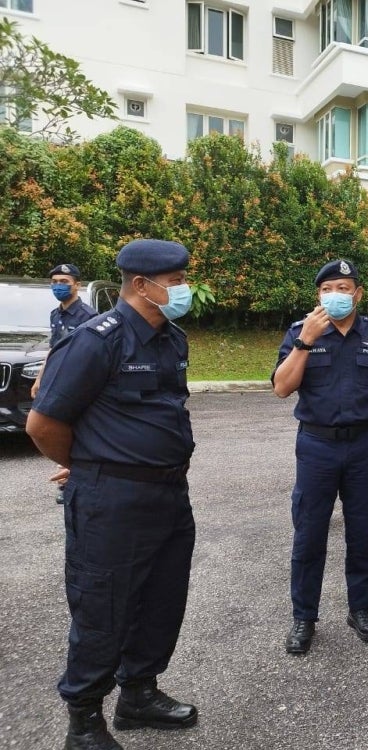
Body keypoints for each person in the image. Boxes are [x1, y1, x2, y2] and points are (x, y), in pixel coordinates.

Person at [26, 239, 199, 750]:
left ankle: (138, 695)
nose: (184, 288)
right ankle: (83, 722)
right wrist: (83, 464)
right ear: (141, 285)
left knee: (161, 601)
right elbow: (42, 423)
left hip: (169, 494)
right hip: (112, 501)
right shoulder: (94, 341)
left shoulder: (172, 339)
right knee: (103, 609)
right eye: (175, 280)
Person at [273, 258, 368, 655]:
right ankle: (304, 617)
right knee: (309, 534)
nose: (336, 295)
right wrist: (305, 342)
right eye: (328, 289)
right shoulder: (300, 332)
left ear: (358, 293)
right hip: (317, 446)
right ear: (318, 295)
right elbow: (281, 388)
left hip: (363, 445)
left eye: (344, 288)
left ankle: (359, 609)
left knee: (363, 534)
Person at [29, 263, 98, 399]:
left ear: (77, 285)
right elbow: (52, 349)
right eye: (54, 282)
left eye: (64, 281)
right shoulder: (55, 314)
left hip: (78, 384)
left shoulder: (89, 316)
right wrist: (39, 379)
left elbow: (92, 358)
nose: (58, 285)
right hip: (55, 379)